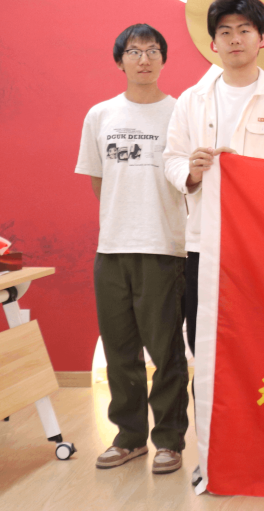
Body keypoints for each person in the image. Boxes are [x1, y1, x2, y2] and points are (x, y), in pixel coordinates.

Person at [164, 0, 264, 360]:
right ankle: (207, 401)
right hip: (204, 241)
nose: (235, 39)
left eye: (245, 30)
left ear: (262, 38)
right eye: (225, 31)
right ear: (213, 42)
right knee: (204, 339)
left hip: (263, 243)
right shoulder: (191, 100)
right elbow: (172, 159)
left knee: (262, 339)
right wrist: (192, 173)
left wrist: (243, 170)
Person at [75, 24, 189, 475]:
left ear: (163, 59)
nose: (144, 59)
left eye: (153, 51)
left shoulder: (181, 113)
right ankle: (128, 438)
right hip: (112, 248)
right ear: (119, 60)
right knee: (119, 350)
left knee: (166, 351)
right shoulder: (100, 115)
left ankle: (169, 440)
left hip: (165, 246)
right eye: (135, 51)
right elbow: (98, 181)